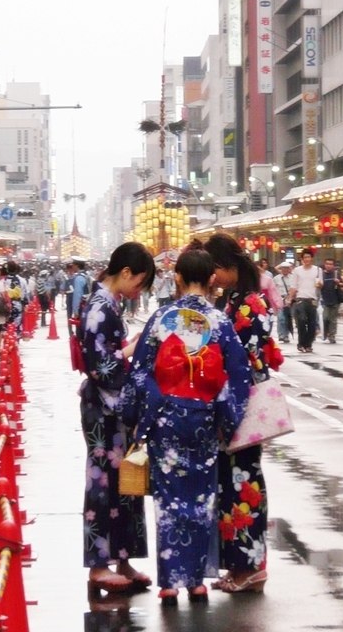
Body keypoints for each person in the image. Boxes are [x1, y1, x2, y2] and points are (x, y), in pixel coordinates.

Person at [121, 243, 251, 605]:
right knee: (202, 496)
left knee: (168, 498)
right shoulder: (220, 321)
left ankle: (169, 581)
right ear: (212, 279)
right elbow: (237, 376)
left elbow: (142, 370)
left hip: (166, 417)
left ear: (176, 277)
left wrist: (138, 415)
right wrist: (227, 416)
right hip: (204, 418)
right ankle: (196, 579)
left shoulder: (163, 318)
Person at [203, 233, 280, 594]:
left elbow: (246, 361)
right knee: (232, 486)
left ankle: (252, 566)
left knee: (245, 484)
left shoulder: (251, 303)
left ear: (230, 266)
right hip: (230, 408)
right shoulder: (234, 300)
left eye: (215, 269)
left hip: (243, 407)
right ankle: (240, 565)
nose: (212, 276)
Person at [79, 242, 155, 596]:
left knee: (126, 482)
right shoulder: (99, 309)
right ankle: (98, 565)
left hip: (114, 407)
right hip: (103, 409)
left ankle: (123, 559)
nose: (138, 291)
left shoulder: (105, 305)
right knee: (103, 485)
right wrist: (131, 351)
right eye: (139, 283)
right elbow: (101, 367)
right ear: (126, 273)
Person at [287, 249, 322, 353]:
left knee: (312, 324)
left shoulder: (317, 270)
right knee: (301, 321)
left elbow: (321, 284)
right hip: (300, 299)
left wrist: (319, 284)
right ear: (301, 259)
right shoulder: (297, 270)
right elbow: (294, 286)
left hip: (313, 299)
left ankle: (308, 344)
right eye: (305, 257)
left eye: (309, 257)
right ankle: (301, 344)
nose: (307, 259)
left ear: (312, 258)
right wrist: (290, 299)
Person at [321, 258, 343, 344]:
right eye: (327, 264)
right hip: (324, 299)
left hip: (335, 300)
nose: (328, 266)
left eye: (330, 264)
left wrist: (338, 282)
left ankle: (332, 336)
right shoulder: (321, 274)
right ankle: (326, 332)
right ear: (324, 265)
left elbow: (342, 284)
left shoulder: (336, 274)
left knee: (333, 319)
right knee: (325, 317)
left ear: (333, 266)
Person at [3, 261, 29, 335]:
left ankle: (8, 342)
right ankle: (16, 341)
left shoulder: (3, 280)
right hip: (18, 304)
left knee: (7, 326)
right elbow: (26, 293)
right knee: (16, 325)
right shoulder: (22, 280)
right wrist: (26, 304)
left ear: (7, 269)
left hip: (6, 305)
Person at [273, 261, 293, 342]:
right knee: (281, 317)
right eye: (283, 268)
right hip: (279, 299)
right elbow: (272, 289)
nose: (285, 270)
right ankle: (281, 334)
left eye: (287, 268)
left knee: (288, 318)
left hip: (289, 299)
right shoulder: (276, 278)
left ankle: (286, 335)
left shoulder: (292, 278)